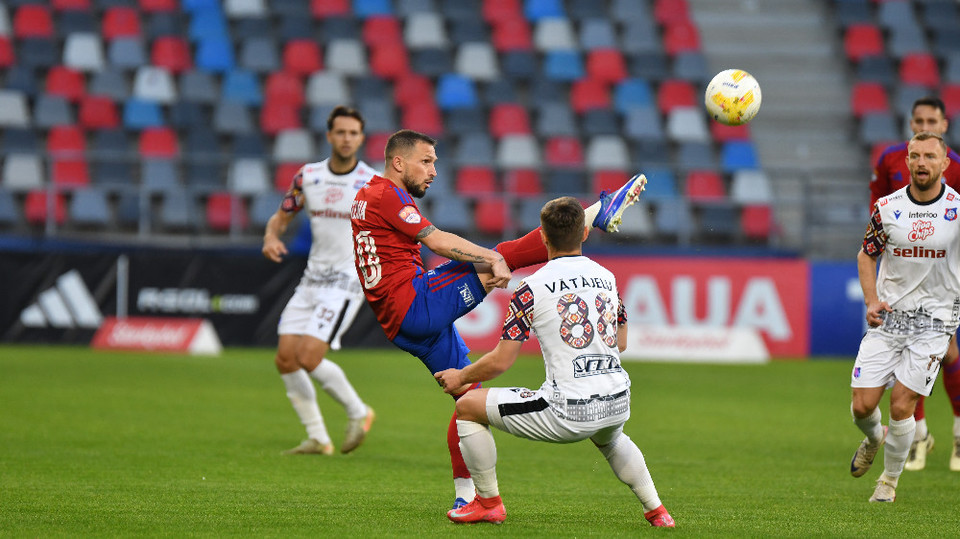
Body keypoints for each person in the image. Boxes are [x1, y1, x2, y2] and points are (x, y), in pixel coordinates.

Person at [350, 129, 646, 510]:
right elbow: (436, 241)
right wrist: (490, 258)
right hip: (415, 303)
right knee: (501, 256)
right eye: (426, 162)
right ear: (397, 162)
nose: (434, 171)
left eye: (434, 162)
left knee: (469, 402)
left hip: (398, 321)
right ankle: (592, 216)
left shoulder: (365, 195)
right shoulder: (386, 194)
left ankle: (467, 498)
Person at [433, 196, 675, 527]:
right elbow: (621, 342)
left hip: (568, 410)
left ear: (543, 237)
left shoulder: (529, 288)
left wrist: (460, 377)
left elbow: (501, 361)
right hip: (618, 399)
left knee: (467, 408)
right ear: (584, 233)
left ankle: (488, 503)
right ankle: (658, 511)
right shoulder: (606, 276)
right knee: (612, 439)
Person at [850, 131, 959, 502]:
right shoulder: (887, 208)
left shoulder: (958, 210)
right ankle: (873, 437)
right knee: (862, 406)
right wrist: (871, 300)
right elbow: (867, 254)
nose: (921, 163)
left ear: (945, 163)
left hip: (936, 323)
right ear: (908, 161)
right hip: (890, 320)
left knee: (902, 403)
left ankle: (889, 482)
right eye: (915, 156)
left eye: (930, 156)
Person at [262, 105, 376, 455]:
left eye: (353, 133)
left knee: (309, 356)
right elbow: (281, 217)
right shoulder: (308, 176)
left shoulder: (372, 182)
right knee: (285, 359)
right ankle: (318, 438)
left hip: (347, 280)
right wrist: (271, 237)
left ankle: (359, 411)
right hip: (312, 278)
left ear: (361, 138)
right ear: (329, 136)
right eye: (340, 132)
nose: (346, 139)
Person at [870, 97, 960, 472]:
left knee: (948, 354)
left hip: (941, 282)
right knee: (912, 354)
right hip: (902, 274)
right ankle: (919, 436)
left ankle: (957, 431)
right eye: (919, 120)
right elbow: (877, 203)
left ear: (944, 126)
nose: (925, 126)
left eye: (932, 121)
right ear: (911, 125)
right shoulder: (890, 159)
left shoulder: (955, 167)